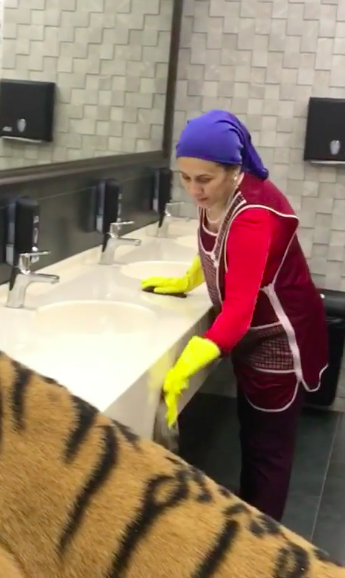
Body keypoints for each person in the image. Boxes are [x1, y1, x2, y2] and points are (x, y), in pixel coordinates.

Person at [141, 109, 328, 522]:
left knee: (267, 451)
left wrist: (188, 362)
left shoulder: (253, 215)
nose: (194, 190)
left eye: (204, 179)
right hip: (254, 336)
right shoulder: (219, 195)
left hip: (279, 340)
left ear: (233, 169)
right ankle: (252, 522)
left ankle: (264, 542)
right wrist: (191, 277)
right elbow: (223, 249)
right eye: (185, 178)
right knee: (253, 431)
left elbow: (240, 310)